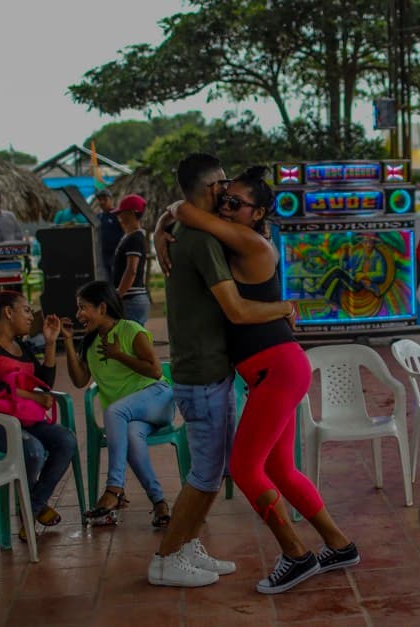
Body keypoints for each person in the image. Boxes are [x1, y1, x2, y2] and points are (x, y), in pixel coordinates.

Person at [169, 166, 359, 594]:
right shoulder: (233, 238)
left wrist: (177, 217)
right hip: (276, 369)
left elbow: (184, 209)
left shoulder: (254, 244)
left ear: (258, 214)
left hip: (277, 367)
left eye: (236, 203)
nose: (226, 207)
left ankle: (295, 555)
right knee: (279, 467)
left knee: (243, 467)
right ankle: (338, 544)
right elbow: (180, 216)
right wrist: (166, 230)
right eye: (224, 200)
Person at [147, 153, 294, 588]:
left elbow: (177, 212)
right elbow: (235, 308)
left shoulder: (180, 229)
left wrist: (161, 222)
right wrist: (284, 307)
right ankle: (167, 557)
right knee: (206, 475)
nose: (228, 197)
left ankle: (187, 542)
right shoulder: (202, 240)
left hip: (206, 368)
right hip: (203, 371)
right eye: (224, 189)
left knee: (212, 472)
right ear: (213, 188)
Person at [0, 290, 76, 542]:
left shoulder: (21, 346)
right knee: (32, 449)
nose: (30, 316)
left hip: (17, 417)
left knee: (65, 440)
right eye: (25, 310)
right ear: (8, 312)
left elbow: (44, 383)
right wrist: (31, 397)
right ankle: (34, 508)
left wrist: (50, 343)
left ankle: (31, 507)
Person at [61, 280, 173, 527]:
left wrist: (118, 355)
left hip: (157, 398)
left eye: (83, 307)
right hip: (130, 418)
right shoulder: (91, 343)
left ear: (102, 308)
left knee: (114, 410)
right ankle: (159, 503)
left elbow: (155, 371)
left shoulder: (130, 329)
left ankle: (114, 489)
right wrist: (68, 341)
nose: (79, 314)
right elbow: (80, 381)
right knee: (132, 437)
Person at [111, 194, 150, 324]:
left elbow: (131, 270)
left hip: (131, 299)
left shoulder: (135, 238)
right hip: (131, 298)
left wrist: (119, 295)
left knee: (130, 341)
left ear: (132, 213)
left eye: (122, 212)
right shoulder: (130, 236)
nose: (119, 216)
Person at [96, 189, 124, 281]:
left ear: (110, 200)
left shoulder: (117, 215)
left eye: (105, 199)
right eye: (100, 200)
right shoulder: (98, 217)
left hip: (116, 253)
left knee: (117, 278)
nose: (102, 202)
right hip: (103, 254)